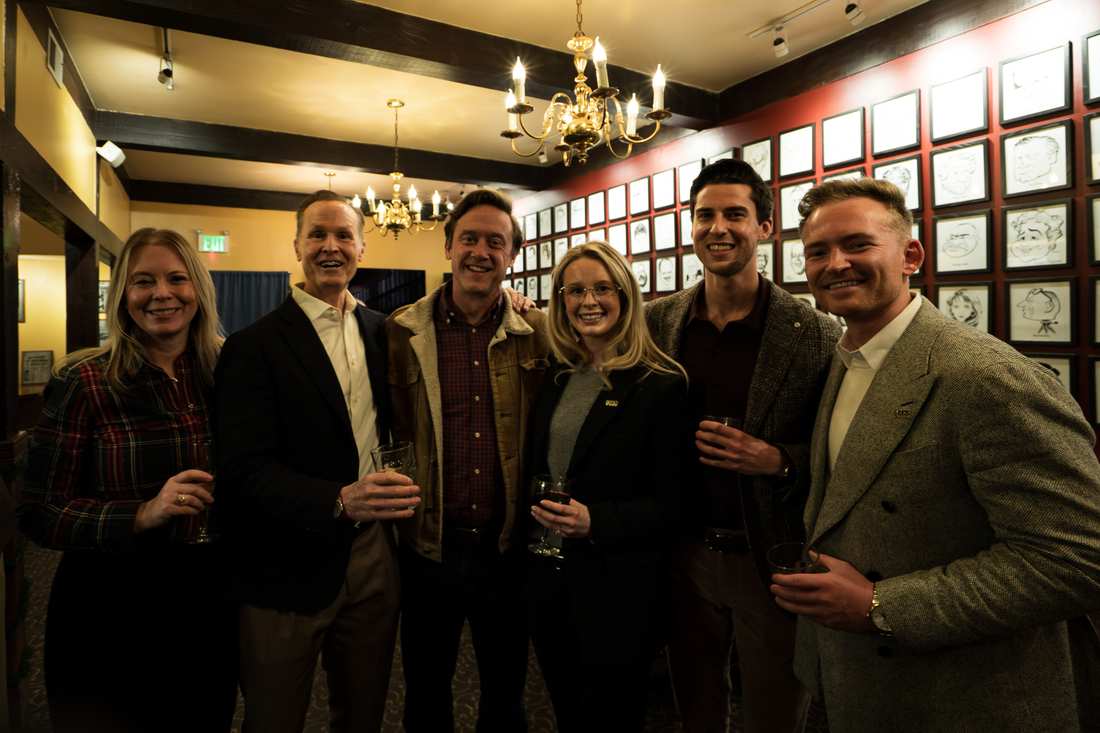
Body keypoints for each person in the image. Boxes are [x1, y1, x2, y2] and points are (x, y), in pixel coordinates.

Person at [771, 178, 1100, 731]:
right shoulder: (846, 358)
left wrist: (880, 605)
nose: (835, 264)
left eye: (857, 244)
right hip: (854, 682)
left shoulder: (985, 376)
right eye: (817, 251)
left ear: (911, 256)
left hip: (961, 696)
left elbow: (1077, 558)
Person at [646, 158, 840, 733]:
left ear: (765, 227)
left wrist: (778, 461)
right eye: (704, 215)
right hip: (682, 554)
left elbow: (842, 444)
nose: (718, 228)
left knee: (774, 712)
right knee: (696, 708)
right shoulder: (657, 323)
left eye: (735, 214)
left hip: (770, 558)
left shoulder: (815, 332)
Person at [215, 190, 419, 733]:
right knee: (274, 716)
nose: (331, 246)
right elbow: (241, 470)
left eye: (344, 235)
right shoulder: (252, 346)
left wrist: (512, 298)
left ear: (361, 247)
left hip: (374, 556)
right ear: (297, 246)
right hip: (284, 562)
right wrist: (337, 499)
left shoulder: (385, 331)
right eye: (318, 235)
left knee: (363, 711)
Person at [19, 228, 237, 732]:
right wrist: (141, 513)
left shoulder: (228, 372)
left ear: (198, 289)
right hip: (110, 604)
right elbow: (39, 512)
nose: (162, 293)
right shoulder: (84, 380)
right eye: (143, 281)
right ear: (122, 294)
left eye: (177, 279)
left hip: (207, 600)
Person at [386, 188, 548, 732]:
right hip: (428, 547)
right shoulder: (399, 332)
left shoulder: (538, 334)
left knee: (506, 693)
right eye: (469, 239)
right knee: (426, 692)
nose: (481, 252)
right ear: (448, 247)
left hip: (506, 548)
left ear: (512, 256)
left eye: (495, 242)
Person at [527, 241, 692, 731]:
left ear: (625, 295)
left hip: (617, 590)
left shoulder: (661, 384)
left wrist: (595, 521)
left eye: (602, 288)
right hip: (549, 579)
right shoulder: (557, 376)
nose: (588, 301)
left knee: (613, 717)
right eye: (575, 291)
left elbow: (677, 504)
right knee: (566, 712)